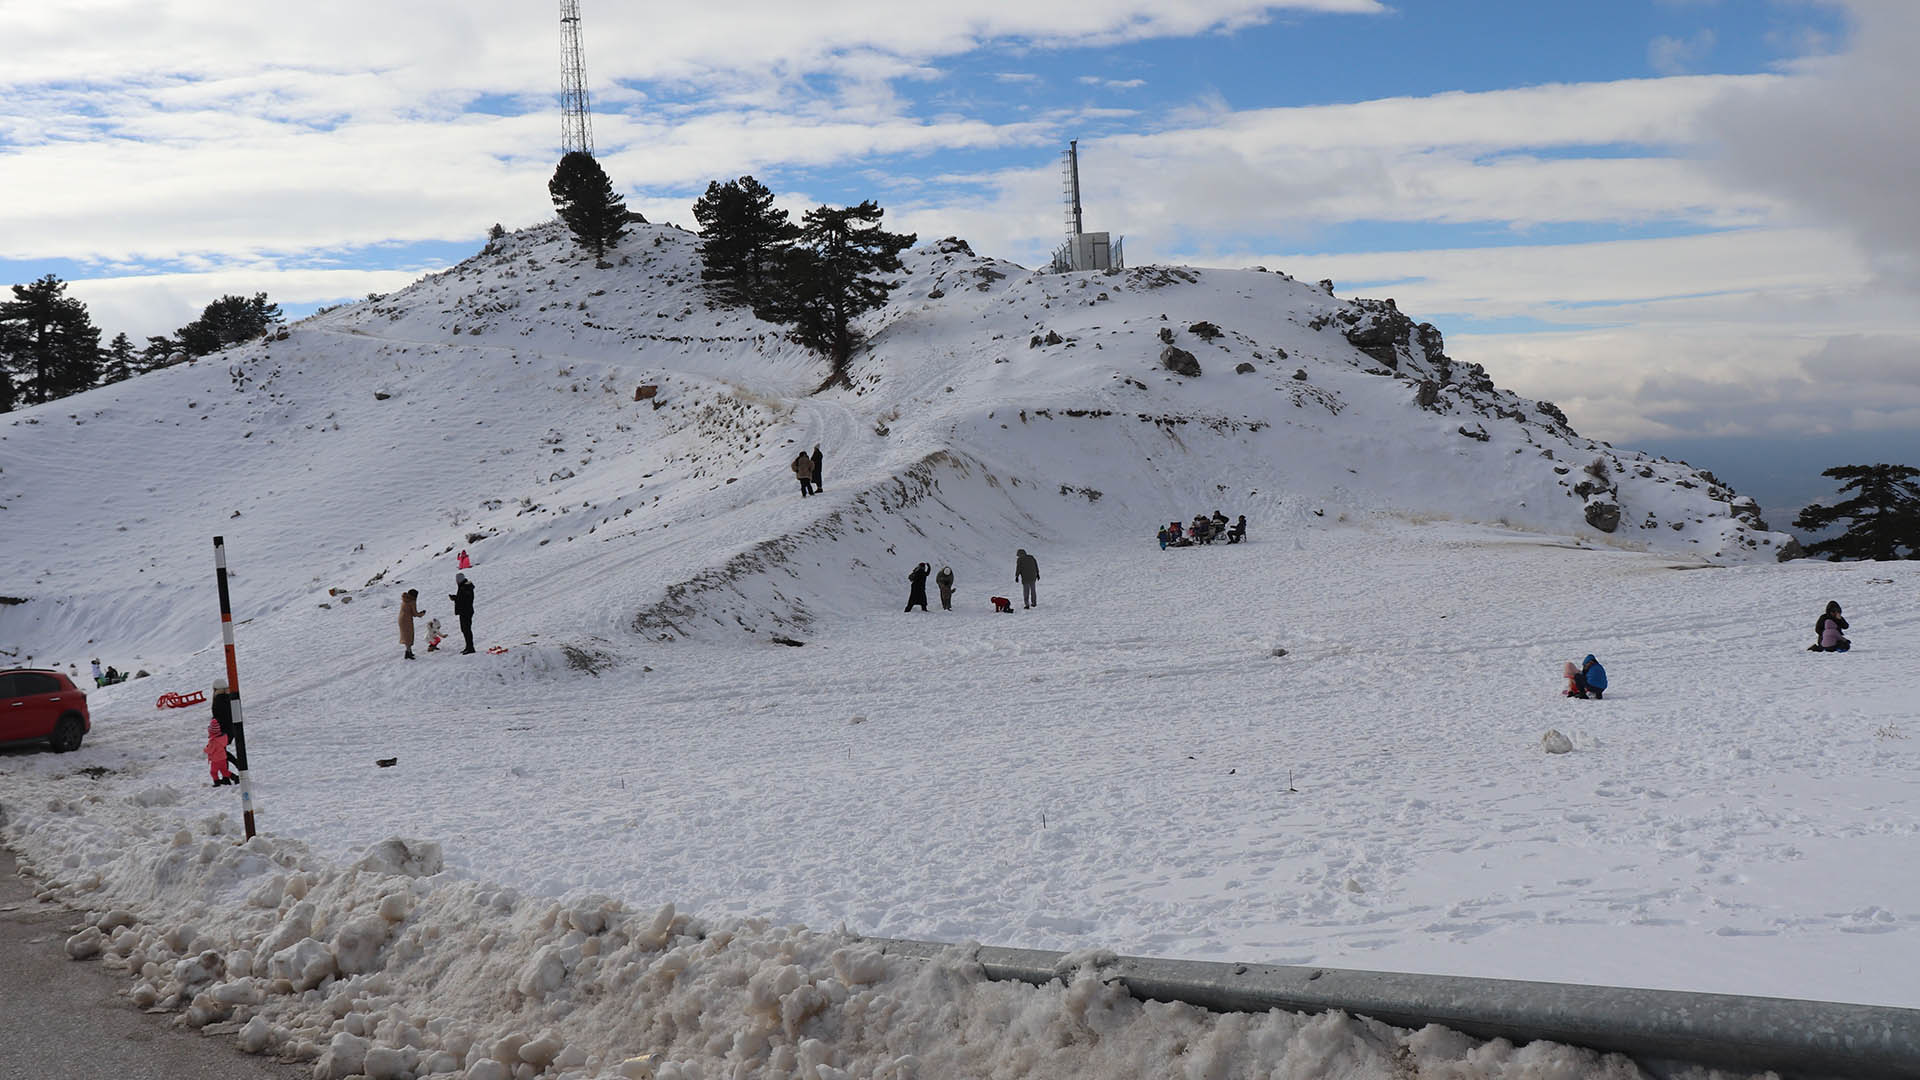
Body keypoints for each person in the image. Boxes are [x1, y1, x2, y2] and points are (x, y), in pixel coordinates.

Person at [208, 678, 238, 785]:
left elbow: (218, 716)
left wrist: (214, 728)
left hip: (221, 731)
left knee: (220, 752)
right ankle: (227, 777)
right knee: (222, 752)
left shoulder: (218, 700)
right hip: (231, 729)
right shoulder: (229, 698)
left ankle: (236, 767)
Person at [450, 573, 475, 654]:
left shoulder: (464, 587)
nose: (456, 581)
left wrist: (455, 598)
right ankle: (468, 647)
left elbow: (464, 600)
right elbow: (463, 599)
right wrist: (456, 598)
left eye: (457, 580)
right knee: (465, 630)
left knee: (466, 630)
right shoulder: (464, 586)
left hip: (465, 612)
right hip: (465, 611)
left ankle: (470, 648)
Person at [399, 588, 425, 660]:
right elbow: (415, 613)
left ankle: (409, 651)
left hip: (401, 619)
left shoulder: (405, 599)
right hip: (407, 620)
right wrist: (422, 614)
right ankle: (408, 653)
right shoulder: (412, 601)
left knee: (406, 635)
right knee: (409, 636)